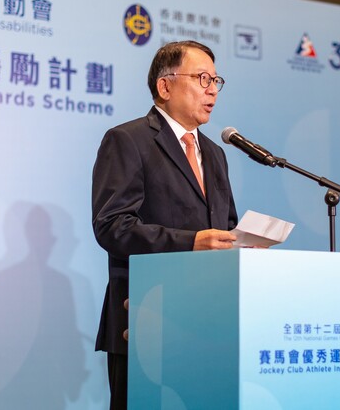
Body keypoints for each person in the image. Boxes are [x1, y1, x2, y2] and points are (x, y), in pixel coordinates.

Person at [91, 40, 238, 409]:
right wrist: (191, 242)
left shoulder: (215, 154)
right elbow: (112, 225)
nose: (212, 89)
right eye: (202, 78)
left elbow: (226, 225)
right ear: (165, 86)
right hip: (147, 320)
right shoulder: (128, 140)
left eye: (216, 80)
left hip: (208, 323)